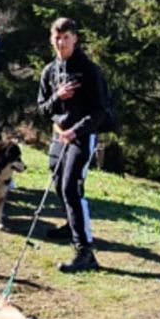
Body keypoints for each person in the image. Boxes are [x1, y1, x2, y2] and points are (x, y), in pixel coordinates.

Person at [37, 17, 107, 273]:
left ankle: (84, 251)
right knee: (58, 181)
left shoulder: (88, 70)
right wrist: (58, 96)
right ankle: (70, 224)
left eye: (66, 37)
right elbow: (43, 109)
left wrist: (75, 132)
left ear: (75, 39)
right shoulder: (49, 71)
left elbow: (100, 111)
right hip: (59, 135)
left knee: (71, 187)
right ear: (51, 39)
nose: (61, 42)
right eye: (57, 37)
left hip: (82, 137)